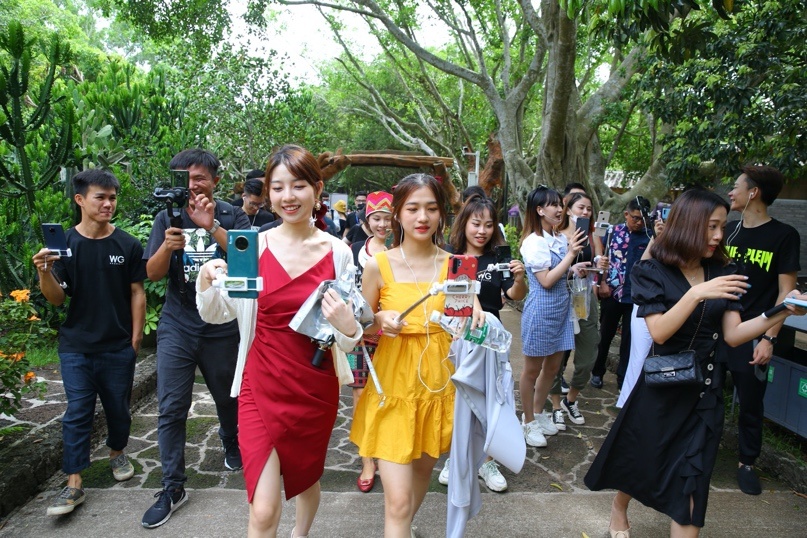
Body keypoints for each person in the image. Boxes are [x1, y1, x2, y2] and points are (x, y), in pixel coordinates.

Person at [584, 188, 806, 538]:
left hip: (705, 393)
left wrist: (781, 312)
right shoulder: (650, 269)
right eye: (712, 227)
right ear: (688, 224)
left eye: (721, 227)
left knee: (693, 481)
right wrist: (696, 293)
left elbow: (734, 334)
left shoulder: (722, 268)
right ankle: (619, 506)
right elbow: (658, 332)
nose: (719, 236)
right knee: (642, 457)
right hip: (662, 387)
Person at [197, 144, 362, 538]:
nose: (288, 197)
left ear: (317, 189)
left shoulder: (339, 253)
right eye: (278, 187)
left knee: (305, 480)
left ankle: (300, 534)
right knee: (264, 509)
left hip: (314, 385)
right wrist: (207, 282)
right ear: (268, 192)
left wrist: (348, 326)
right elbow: (218, 313)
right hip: (260, 383)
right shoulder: (251, 248)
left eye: (299, 186)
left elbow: (350, 338)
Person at [350, 174, 484, 537]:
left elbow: (471, 321)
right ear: (398, 214)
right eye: (413, 208)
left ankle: (405, 530)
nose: (422, 217)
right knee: (396, 502)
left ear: (442, 215)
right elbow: (360, 329)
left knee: (421, 476)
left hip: (439, 388)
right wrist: (378, 319)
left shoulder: (458, 266)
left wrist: (476, 317)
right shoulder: (379, 264)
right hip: (392, 388)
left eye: (431, 208)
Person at [141, 149, 250, 529]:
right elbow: (152, 275)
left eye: (200, 177)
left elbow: (246, 263)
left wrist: (211, 226)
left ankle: (230, 438)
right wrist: (167, 247)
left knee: (226, 396)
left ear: (215, 181)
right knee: (171, 405)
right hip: (178, 322)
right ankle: (172, 486)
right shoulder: (165, 217)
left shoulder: (232, 215)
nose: (191, 184)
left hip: (221, 325)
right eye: (183, 177)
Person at [32, 169, 146, 516]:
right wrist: (44, 272)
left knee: (117, 409)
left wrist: (135, 339)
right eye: (101, 197)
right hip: (76, 347)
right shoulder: (63, 246)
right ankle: (74, 483)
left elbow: (137, 292)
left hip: (117, 346)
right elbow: (56, 300)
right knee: (78, 413)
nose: (108, 203)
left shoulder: (127, 244)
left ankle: (116, 452)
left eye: (112, 197)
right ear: (80, 200)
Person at [438, 193, 526, 492]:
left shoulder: (498, 256)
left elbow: (514, 296)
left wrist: (520, 279)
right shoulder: (448, 255)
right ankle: (456, 458)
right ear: (464, 223)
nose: (482, 231)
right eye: (476, 223)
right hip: (457, 335)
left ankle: (488, 460)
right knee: (459, 398)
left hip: (490, 336)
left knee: (492, 398)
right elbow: (450, 298)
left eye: (488, 225)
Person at [724, 165, 800, 495]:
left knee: (752, 402)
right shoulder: (726, 230)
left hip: (756, 332)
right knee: (704, 391)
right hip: (719, 328)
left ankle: (747, 462)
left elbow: (787, 294)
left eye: (736, 186)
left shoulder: (784, 236)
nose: (731, 192)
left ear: (753, 192)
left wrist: (769, 337)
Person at [519, 186, 587, 448]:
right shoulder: (533, 242)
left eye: (560, 204)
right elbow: (546, 280)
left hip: (561, 311)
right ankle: (527, 421)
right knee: (532, 370)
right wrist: (571, 255)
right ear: (539, 210)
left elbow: (559, 272)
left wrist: (574, 268)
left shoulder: (557, 238)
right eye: (553, 205)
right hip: (541, 311)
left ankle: (537, 412)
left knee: (553, 368)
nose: (559, 209)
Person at [549, 192, 608, 431]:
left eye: (588, 209)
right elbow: (551, 270)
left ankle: (570, 400)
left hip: (585, 296)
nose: (585, 212)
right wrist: (571, 267)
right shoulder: (555, 235)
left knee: (587, 355)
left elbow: (598, 262)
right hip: (562, 295)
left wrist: (599, 267)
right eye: (581, 208)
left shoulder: (592, 236)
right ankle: (554, 406)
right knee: (557, 356)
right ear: (568, 208)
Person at [347, 191, 393, 493]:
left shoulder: (403, 249)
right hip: (360, 336)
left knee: (392, 393)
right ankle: (366, 458)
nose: (382, 224)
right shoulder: (353, 250)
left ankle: (389, 448)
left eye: (388, 219)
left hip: (393, 334)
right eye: (377, 218)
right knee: (360, 394)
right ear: (367, 219)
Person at [590, 197, 653, 390]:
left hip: (636, 297)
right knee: (605, 335)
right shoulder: (612, 233)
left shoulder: (651, 237)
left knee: (629, 339)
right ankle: (597, 372)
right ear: (626, 214)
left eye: (642, 219)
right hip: (613, 293)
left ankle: (623, 377)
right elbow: (603, 258)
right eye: (635, 218)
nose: (638, 222)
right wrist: (601, 283)